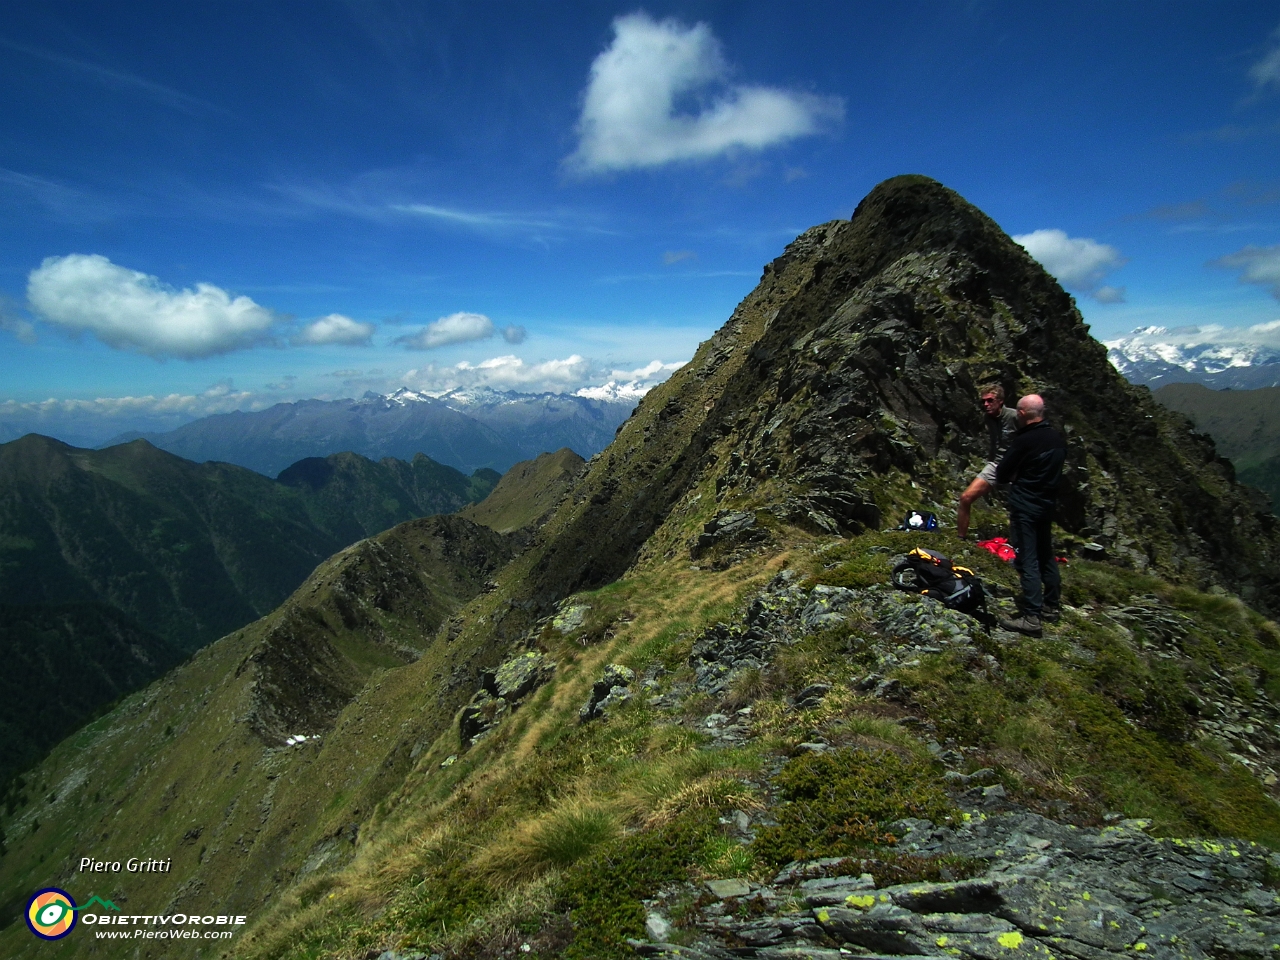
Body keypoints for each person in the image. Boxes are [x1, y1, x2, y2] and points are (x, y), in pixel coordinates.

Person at [994, 394, 1067, 636]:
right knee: (1046, 553)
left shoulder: (1025, 441)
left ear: (1023, 414)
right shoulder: (1056, 438)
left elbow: (1002, 473)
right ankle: (1051, 605)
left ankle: (1031, 617)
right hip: (1047, 505)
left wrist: (1017, 476)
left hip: (1025, 505)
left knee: (1028, 557)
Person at [957, 383, 1019, 538]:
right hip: (996, 464)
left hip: (1015, 466)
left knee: (1019, 509)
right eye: (983, 401)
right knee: (966, 497)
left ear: (1000, 401)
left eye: (990, 400)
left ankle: (1020, 546)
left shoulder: (1014, 416)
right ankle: (960, 538)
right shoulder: (989, 419)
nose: (986, 404)